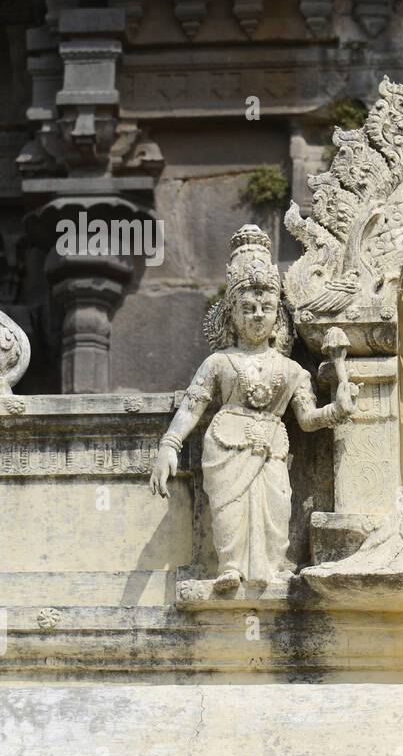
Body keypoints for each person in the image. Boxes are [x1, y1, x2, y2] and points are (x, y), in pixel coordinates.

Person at [149, 225, 358, 592]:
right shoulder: (218, 362)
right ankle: (230, 565)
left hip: (271, 450)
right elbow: (192, 406)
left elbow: (308, 420)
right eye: (248, 308)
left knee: (274, 510)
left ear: (278, 315)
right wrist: (170, 445)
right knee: (229, 511)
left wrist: (337, 410)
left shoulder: (292, 371)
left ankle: (270, 568)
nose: (257, 315)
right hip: (226, 447)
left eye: (266, 307)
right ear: (231, 314)